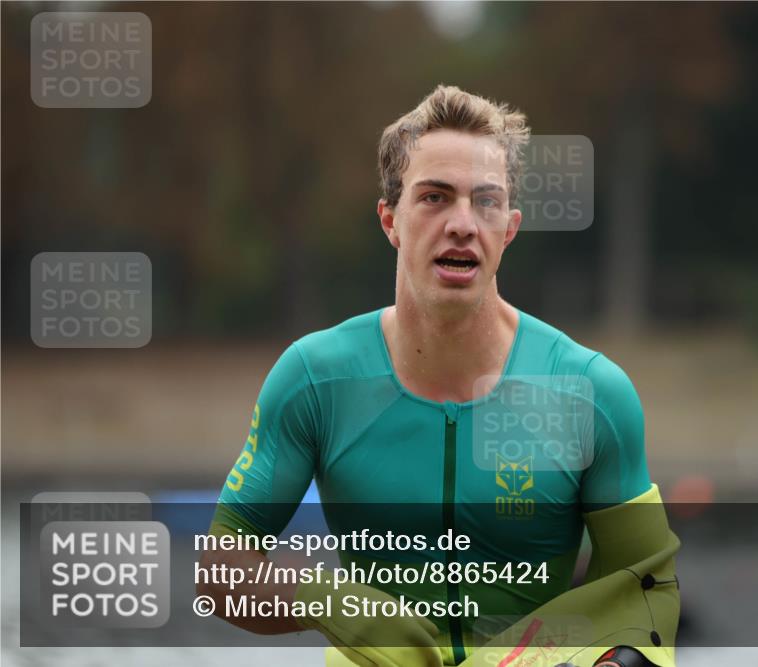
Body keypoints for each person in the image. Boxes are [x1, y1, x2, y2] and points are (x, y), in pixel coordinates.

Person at [197, 85, 680, 667]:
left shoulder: (590, 393)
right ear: (390, 221)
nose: (462, 224)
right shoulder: (314, 379)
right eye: (434, 197)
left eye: (486, 202)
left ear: (509, 228)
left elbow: (645, 593)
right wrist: (340, 605)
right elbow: (220, 567)